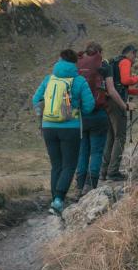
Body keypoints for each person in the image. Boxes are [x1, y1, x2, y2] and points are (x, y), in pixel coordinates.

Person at [32, 49, 94, 213]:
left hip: (48, 127)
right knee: (69, 165)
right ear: (75, 63)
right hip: (70, 128)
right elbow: (89, 107)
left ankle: (55, 200)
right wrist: (76, 107)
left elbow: (36, 99)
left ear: (59, 61)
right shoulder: (79, 81)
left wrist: (44, 114)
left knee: (56, 166)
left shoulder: (49, 79)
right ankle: (58, 201)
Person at [73, 42, 111, 199]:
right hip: (98, 114)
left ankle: (79, 187)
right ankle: (91, 185)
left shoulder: (78, 65)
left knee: (82, 152)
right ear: (99, 52)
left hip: (80, 115)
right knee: (96, 151)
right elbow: (111, 89)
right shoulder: (103, 65)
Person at [101, 45, 138, 181]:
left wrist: (136, 92)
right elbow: (125, 81)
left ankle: (104, 171)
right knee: (120, 137)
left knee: (110, 137)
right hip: (117, 104)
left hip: (108, 102)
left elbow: (119, 85)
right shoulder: (125, 62)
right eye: (135, 55)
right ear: (130, 53)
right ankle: (113, 172)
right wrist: (136, 79)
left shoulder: (114, 62)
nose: (135, 59)